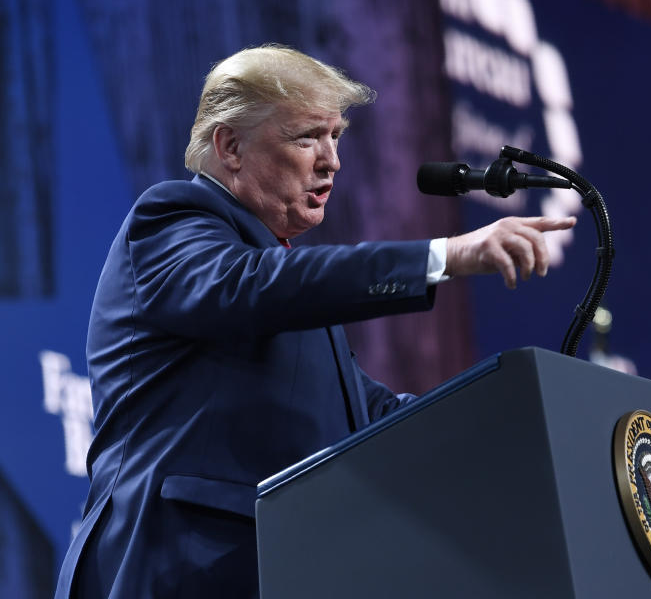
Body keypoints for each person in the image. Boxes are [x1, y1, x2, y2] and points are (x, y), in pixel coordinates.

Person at [54, 44, 575, 599]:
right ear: (229, 145)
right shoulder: (172, 222)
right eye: (306, 137)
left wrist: (515, 421)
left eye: (336, 137)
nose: (332, 160)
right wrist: (444, 256)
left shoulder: (284, 286)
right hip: (175, 568)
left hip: (285, 570)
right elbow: (249, 287)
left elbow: (373, 417)